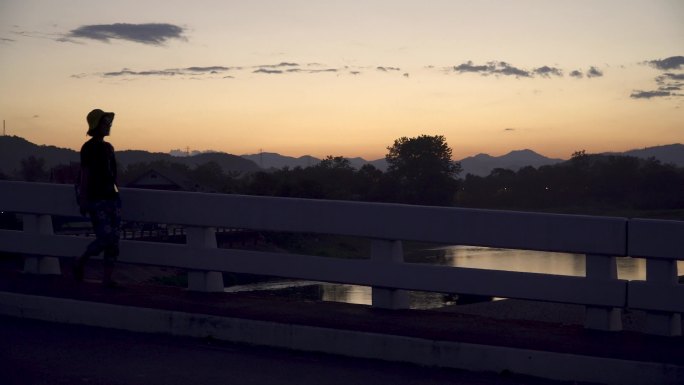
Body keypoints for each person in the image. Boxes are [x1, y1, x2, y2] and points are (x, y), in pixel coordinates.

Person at [73, 109, 121, 287]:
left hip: (112, 197)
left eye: (109, 123)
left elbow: (114, 174)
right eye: (105, 123)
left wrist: (117, 192)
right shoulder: (89, 148)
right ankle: (80, 261)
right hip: (96, 199)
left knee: (114, 240)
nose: (108, 126)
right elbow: (85, 173)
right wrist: (84, 198)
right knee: (106, 237)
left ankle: (107, 279)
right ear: (96, 125)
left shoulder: (108, 148)